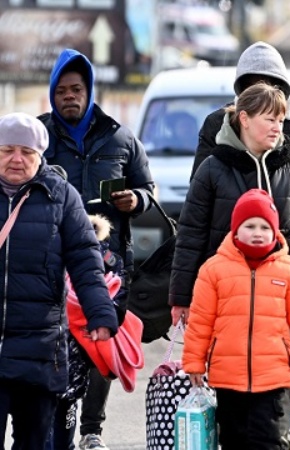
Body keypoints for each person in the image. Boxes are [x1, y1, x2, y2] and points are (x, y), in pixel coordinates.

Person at [38, 48, 155, 450]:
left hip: (108, 262)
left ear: (89, 92)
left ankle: (92, 430)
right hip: (52, 260)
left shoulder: (120, 136)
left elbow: (148, 189)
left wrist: (135, 200)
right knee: (60, 344)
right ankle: (56, 425)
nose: (69, 97)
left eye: (77, 90)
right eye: (62, 92)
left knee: (101, 340)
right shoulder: (40, 138)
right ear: (52, 95)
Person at [170, 82, 290, 340]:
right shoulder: (212, 168)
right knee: (226, 371)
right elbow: (190, 236)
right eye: (269, 119)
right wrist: (181, 298)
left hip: (280, 299)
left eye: (280, 120)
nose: (278, 127)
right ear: (244, 118)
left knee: (276, 371)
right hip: (224, 298)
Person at [0, 112, 118, 450]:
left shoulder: (61, 196)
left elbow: (85, 260)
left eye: (27, 152)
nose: (17, 159)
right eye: (8, 150)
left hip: (40, 346)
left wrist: (100, 314)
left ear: (41, 156)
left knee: (36, 442)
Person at [182, 188, 290, 450]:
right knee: (234, 441)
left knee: (271, 441)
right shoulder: (214, 269)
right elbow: (200, 321)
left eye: (265, 227)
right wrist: (194, 362)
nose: (258, 233)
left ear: (276, 232)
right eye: (250, 226)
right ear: (235, 230)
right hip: (227, 378)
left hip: (273, 377)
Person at [190, 40, 290, 288]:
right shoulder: (218, 123)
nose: (262, 92)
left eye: (270, 84)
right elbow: (198, 200)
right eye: (253, 85)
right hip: (227, 260)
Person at [47, 215, 127, 450]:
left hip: (75, 343)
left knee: (65, 404)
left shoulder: (103, 258)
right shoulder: (56, 251)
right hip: (67, 341)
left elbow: (116, 289)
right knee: (60, 404)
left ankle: (68, 441)